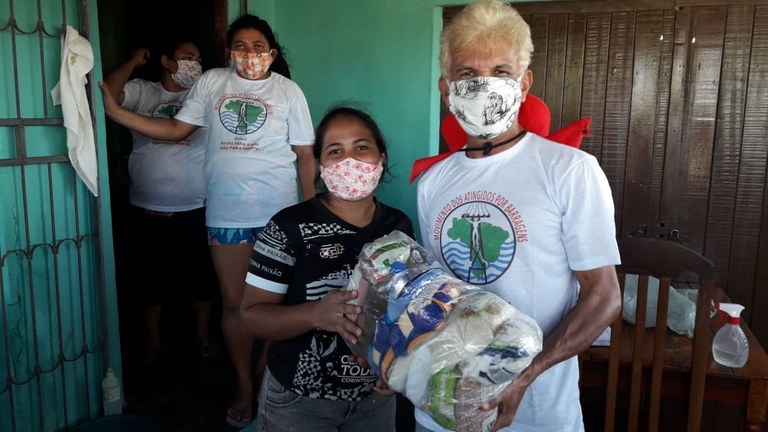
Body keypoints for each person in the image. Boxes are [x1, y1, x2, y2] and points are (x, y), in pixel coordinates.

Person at [99, 14, 316, 429]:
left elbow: (305, 155)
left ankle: (264, 376)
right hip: (227, 214)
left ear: (271, 52)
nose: (249, 54)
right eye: (241, 46)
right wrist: (117, 113)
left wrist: (309, 214)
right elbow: (178, 129)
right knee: (234, 304)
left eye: (258, 46)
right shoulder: (213, 82)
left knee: (275, 303)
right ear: (230, 51)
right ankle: (243, 385)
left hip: (279, 215)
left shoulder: (288, 91)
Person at [414, 1, 622, 431]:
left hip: (538, 412)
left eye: (500, 72)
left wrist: (524, 375)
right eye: (467, 74)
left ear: (524, 84)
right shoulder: (433, 182)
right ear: (445, 88)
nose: (483, 84)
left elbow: (603, 296)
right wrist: (401, 359)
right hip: (442, 409)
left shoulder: (570, 170)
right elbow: (437, 293)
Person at [240, 106, 413, 432]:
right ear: (320, 167)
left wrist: (397, 368)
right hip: (299, 402)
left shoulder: (398, 227)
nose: (350, 161)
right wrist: (315, 315)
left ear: (382, 158)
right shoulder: (287, 226)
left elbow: (403, 310)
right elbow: (251, 317)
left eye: (362, 147)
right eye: (336, 151)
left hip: (374, 400)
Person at [103, 39, 219, 364]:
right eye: (186, 57)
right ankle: (153, 341)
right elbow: (108, 95)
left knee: (201, 278)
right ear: (167, 62)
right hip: (147, 206)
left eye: (198, 58)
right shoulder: (145, 91)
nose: (194, 63)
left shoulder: (204, 96)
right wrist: (132, 61)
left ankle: (202, 336)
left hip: (197, 206)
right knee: (149, 279)